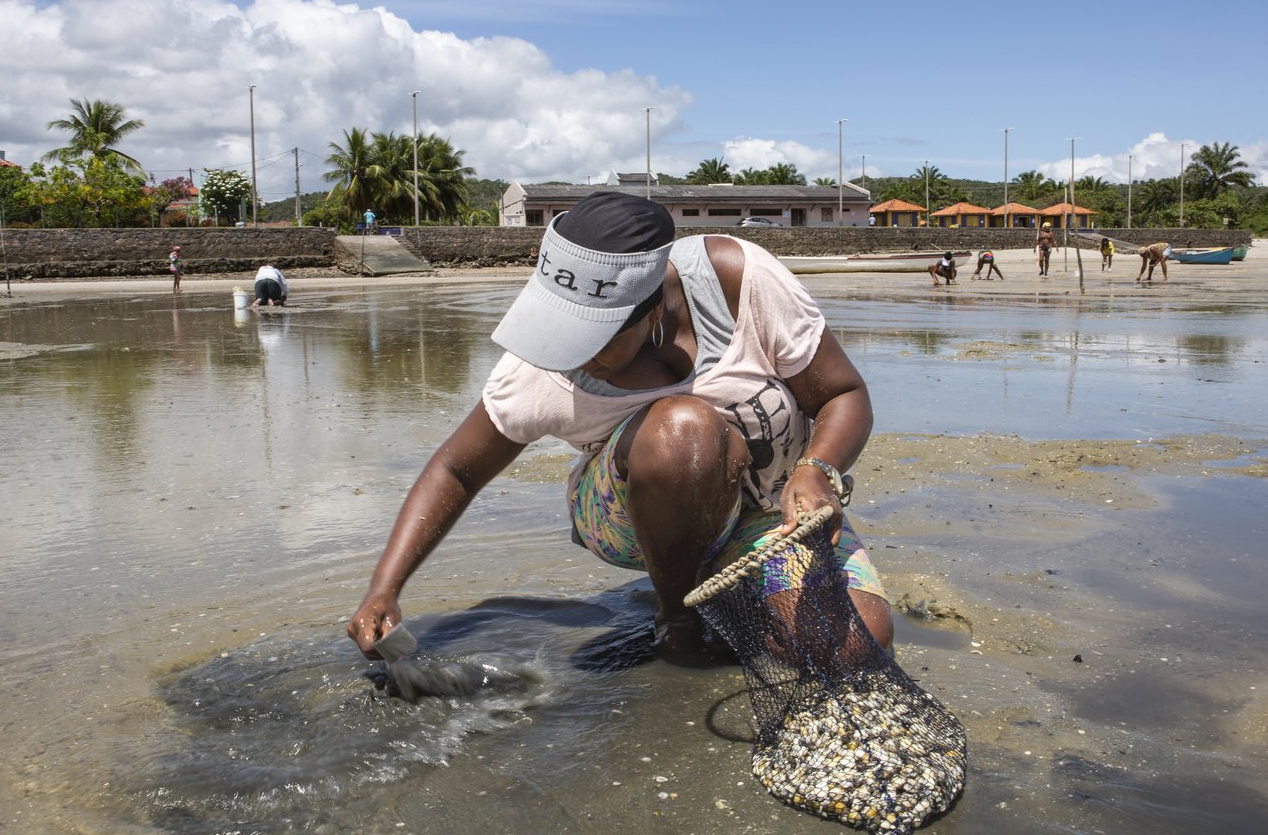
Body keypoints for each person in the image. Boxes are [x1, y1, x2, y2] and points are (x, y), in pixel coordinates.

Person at [347, 192, 893, 664]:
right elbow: (456, 469)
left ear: (653, 311)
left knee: (852, 649)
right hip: (628, 516)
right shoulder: (540, 366)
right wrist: (384, 589)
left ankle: (732, 583)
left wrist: (817, 468)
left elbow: (844, 394)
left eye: (596, 341)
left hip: (773, 515)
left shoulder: (737, 278)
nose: (574, 358)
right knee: (684, 428)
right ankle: (674, 611)